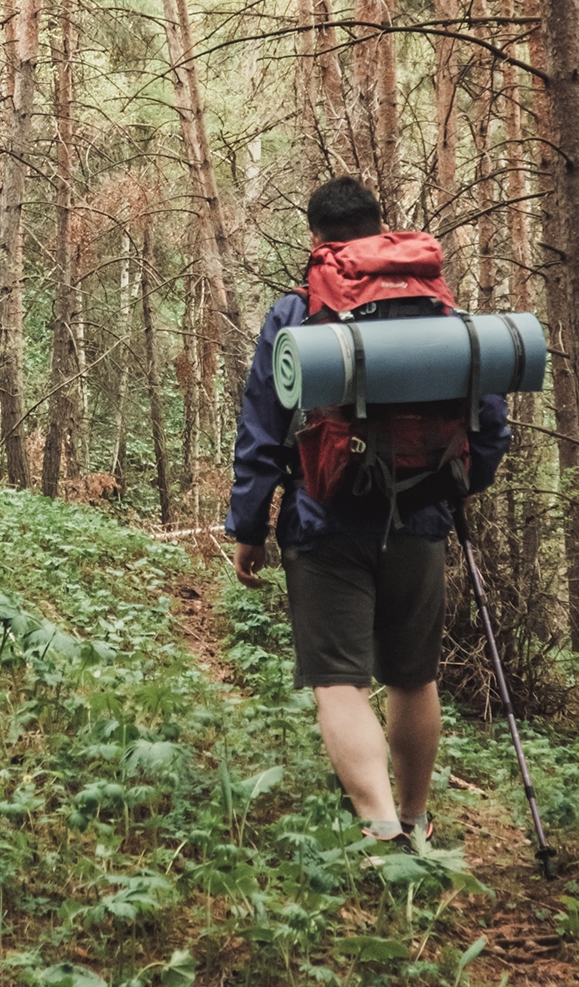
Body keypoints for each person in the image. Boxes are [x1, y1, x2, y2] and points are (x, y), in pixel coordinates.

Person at [225, 176, 510, 851]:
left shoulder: (294, 315)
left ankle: (380, 825)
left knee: (338, 679)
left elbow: (262, 427)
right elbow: (488, 418)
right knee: (414, 676)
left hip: (322, 522)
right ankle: (416, 818)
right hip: (421, 517)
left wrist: (248, 527)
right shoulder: (436, 311)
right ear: (382, 229)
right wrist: (459, 486)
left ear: (316, 239)